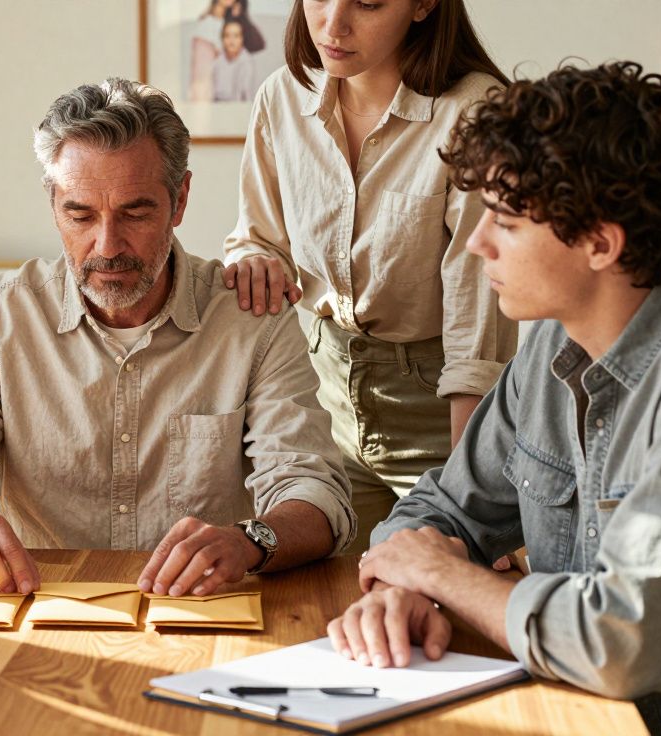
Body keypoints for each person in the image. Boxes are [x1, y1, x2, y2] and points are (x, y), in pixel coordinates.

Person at [330, 62, 661, 735]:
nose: (477, 242)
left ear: (600, 243)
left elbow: (621, 643)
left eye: (507, 221)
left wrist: (446, 579)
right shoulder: (552, 341)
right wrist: (402, 587)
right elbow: (443, 510)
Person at [0, 78, 355, 598]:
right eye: (80, 214)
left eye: (135, 213)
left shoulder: (252, 319)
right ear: (53, 204)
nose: (107, 246)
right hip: (41, 609)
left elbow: (316, 495)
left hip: (205, 612)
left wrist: (248, 542)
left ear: (179, 200)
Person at [222, 0, 516, 553]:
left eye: (368, 3)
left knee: (429, 582)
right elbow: (256, 236)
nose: (333, 25)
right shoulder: (282, 96)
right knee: (316, 591)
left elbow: (478, 323)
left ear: (424, 5)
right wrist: (255, 258)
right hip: (320, 394)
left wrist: (466, 496)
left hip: (439, 409)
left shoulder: (474, 112)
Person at [213, 19, 260, 102]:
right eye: (227, 35)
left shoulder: (247, 62)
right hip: (216, 106)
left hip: (238, 106)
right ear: (222, 39)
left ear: (242, 39)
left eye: (236, 36)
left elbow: (245, 95)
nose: (231, 40)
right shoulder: (217, 60)